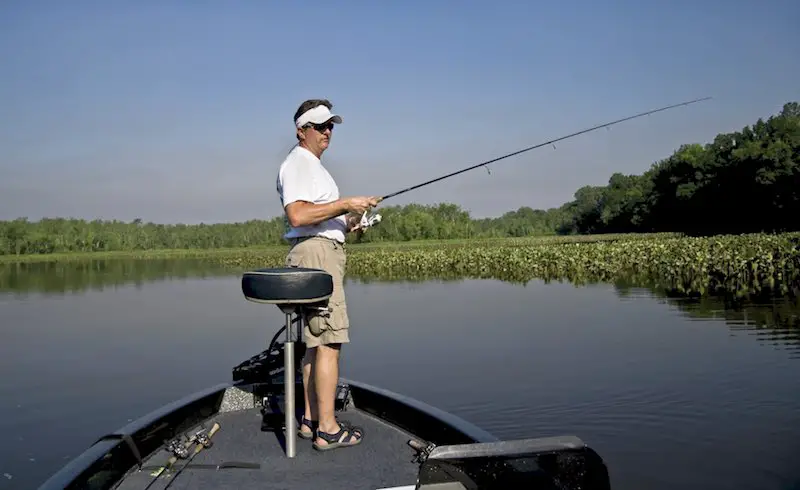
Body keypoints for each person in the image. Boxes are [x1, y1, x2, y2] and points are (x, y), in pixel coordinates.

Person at [276, 98, 378, 451]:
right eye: (320, 126)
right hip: (318, 256)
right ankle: (328, 430)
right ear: (301, 131)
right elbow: (299, 217)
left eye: (330, 125)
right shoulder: (299, 163)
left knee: (314, 344)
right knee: (330, 342)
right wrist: (346, 203)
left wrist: (350, 222)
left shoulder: (313, 167)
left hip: (320, 250)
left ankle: (310, 420)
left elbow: (320, 217)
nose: (327, 132)